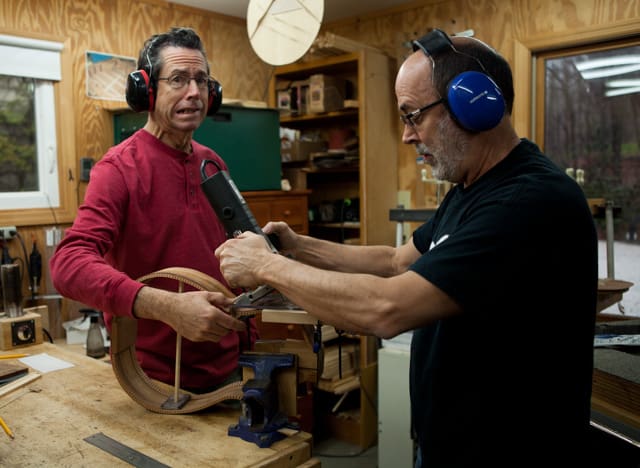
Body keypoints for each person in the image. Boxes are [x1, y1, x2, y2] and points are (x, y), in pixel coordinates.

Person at [215, 29, 598, 466]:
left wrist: (267, 267)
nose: (406, 136)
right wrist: (298, 246)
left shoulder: (527, 202)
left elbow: (387, 308)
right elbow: (396, 262)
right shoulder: (472, 187)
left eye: (413, 116)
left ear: (472, 104)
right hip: (452, 444)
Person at [50, 27, 255, 393]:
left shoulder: (213, 163)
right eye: (178, 79)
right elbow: (68, 263)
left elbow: (240, 252)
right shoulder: (118, 169)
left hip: (232, 369)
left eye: (201, 80)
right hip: (155, 383)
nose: (194, 92)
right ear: (145, 90)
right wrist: (167, 307)